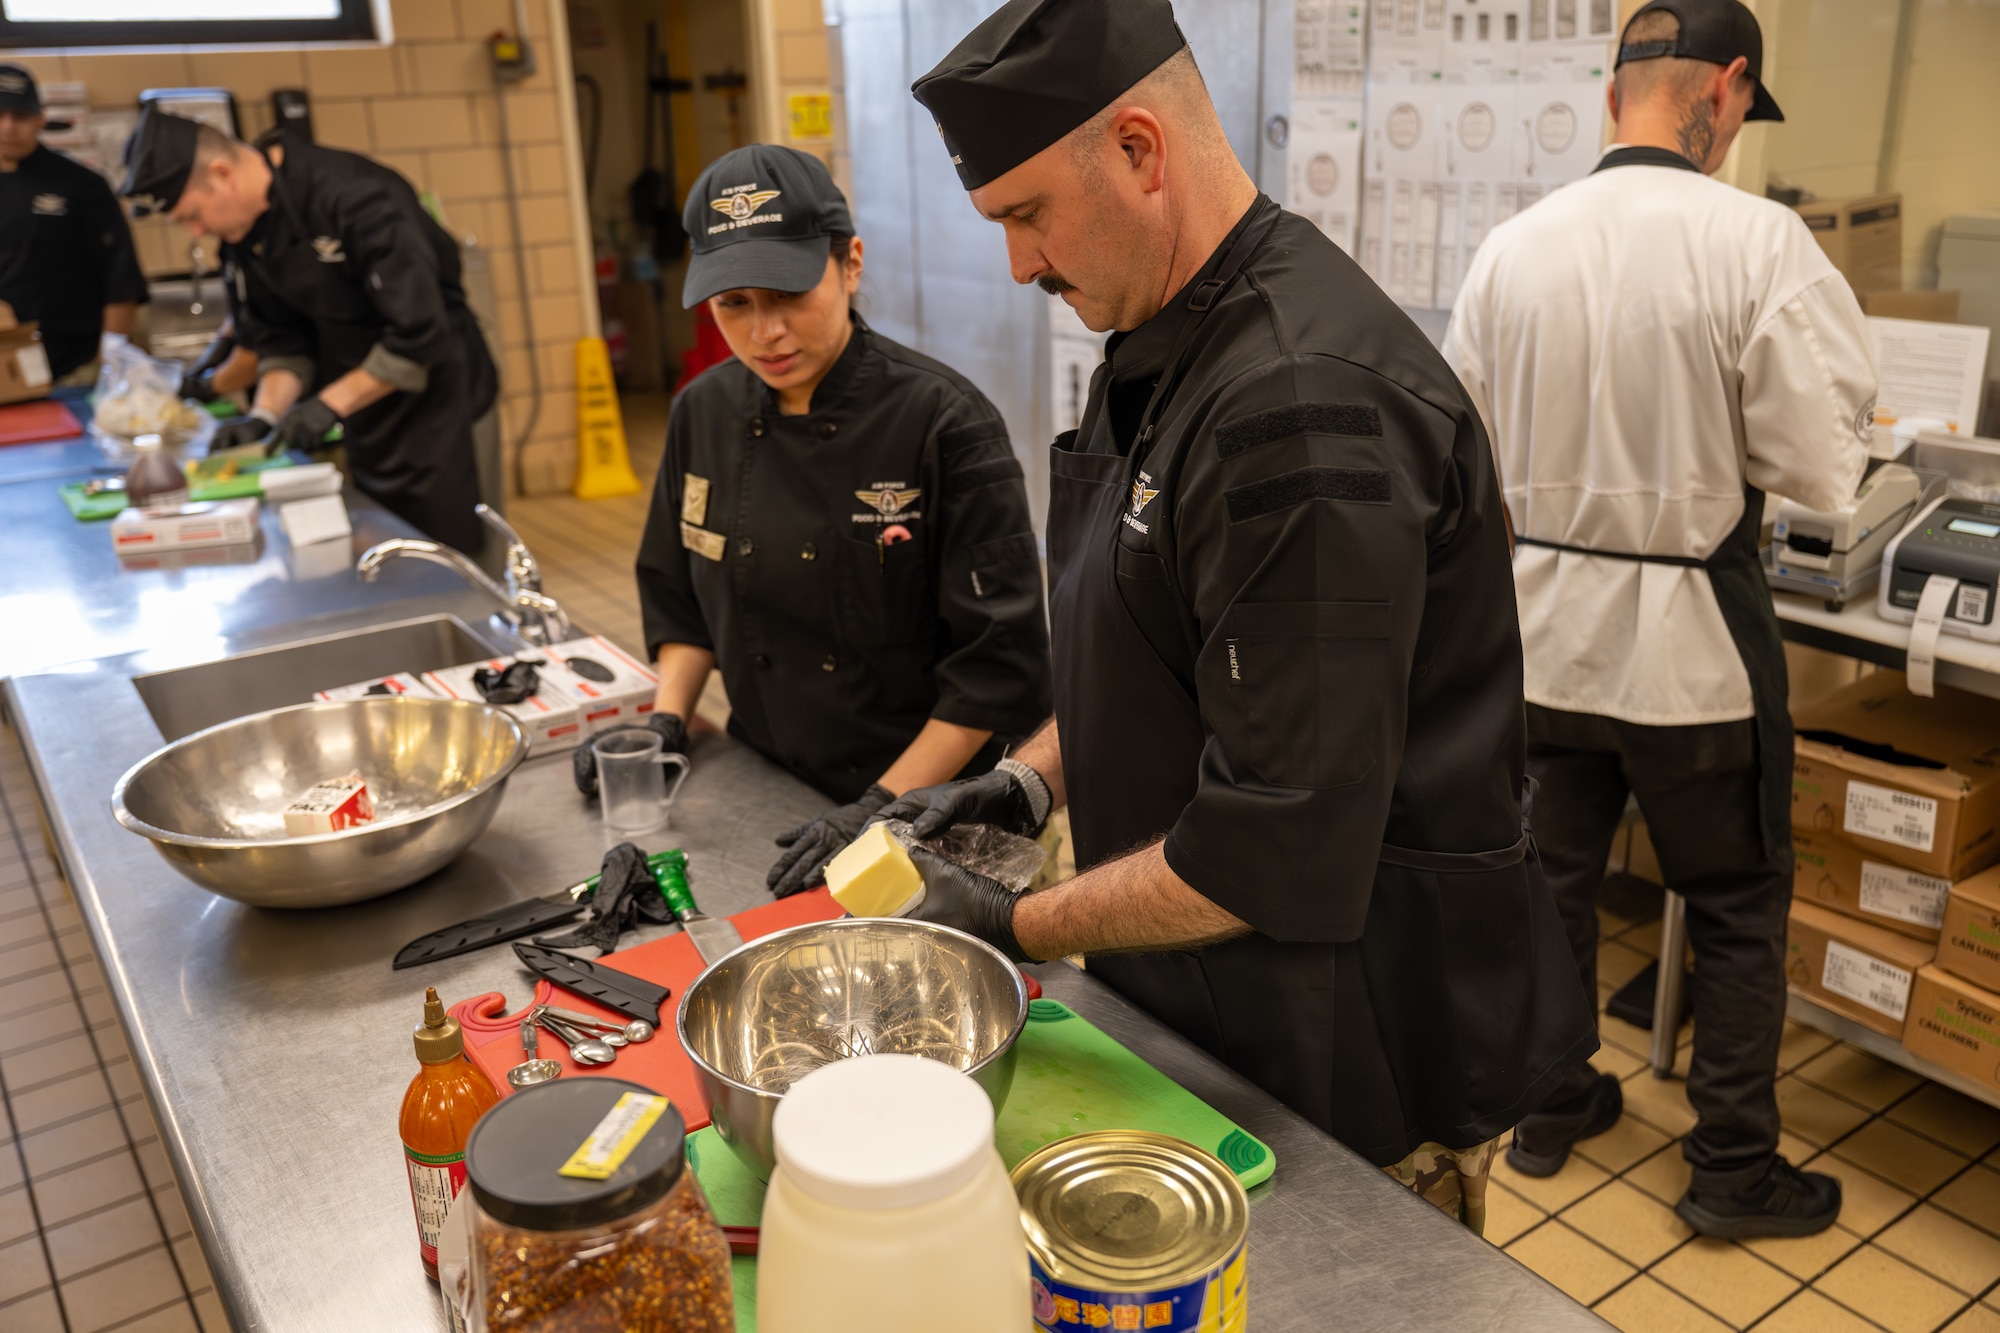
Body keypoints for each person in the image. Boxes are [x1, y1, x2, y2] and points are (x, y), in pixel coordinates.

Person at [878, 0, 1593, 1232]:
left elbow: (1272, 840)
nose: (1018, 265)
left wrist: (1009, 920)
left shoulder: (1301, 405)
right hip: (1219, 1004)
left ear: (1140, 151)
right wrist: (1028, 784)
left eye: (1026, 215)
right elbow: (1170, 654)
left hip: (1347, 1046)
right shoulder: (1165, 335)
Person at [1442, 0, 1875, 1238]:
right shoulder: (1760, 245)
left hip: (1539, 641)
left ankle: (1547, 1101)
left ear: (1610, 94)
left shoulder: (1510, 248)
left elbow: (1464, 462)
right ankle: (1732, 1168)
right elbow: (1819, 468)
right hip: (1691, 649)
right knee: (1735, 906)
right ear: (1726, 89)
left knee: (1549, 884)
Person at [634, 144, 1054, 897]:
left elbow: (996, 674)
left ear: (850, 264)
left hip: (938, 814)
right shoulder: (703, 411)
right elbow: (679, 596)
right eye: (735, 305)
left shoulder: (944, 423)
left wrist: (878, 810)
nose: (766, 332)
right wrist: (666, 721)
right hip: (774, 789)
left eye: (789, 294)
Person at [121, 109, 494, 552]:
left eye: (193, 216)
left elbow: (417, 333)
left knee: (448, 547)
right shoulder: (245, 239)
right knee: (387, 539)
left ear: (222, 174)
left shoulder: (356, 199)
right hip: (364, 402)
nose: (197, 232)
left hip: (436, 398)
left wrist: (328, 406)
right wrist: (266, 416)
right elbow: (282, 338)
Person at [0, 64, 147, 386]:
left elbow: (121, 279)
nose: (8, 127)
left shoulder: (81, 184)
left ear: (40, 118)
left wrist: (106, 362)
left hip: (75, 367)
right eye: (1, 114)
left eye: (20, 116)